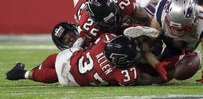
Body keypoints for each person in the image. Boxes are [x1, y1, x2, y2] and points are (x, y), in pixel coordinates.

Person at [6, 34, 143, 86]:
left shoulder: (104, 40)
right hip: (75, 76)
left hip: (73, 56)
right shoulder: (117, 73)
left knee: (55, 60)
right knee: (55, 74)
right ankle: (22, 73)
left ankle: (22, 71)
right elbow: (140, 78)